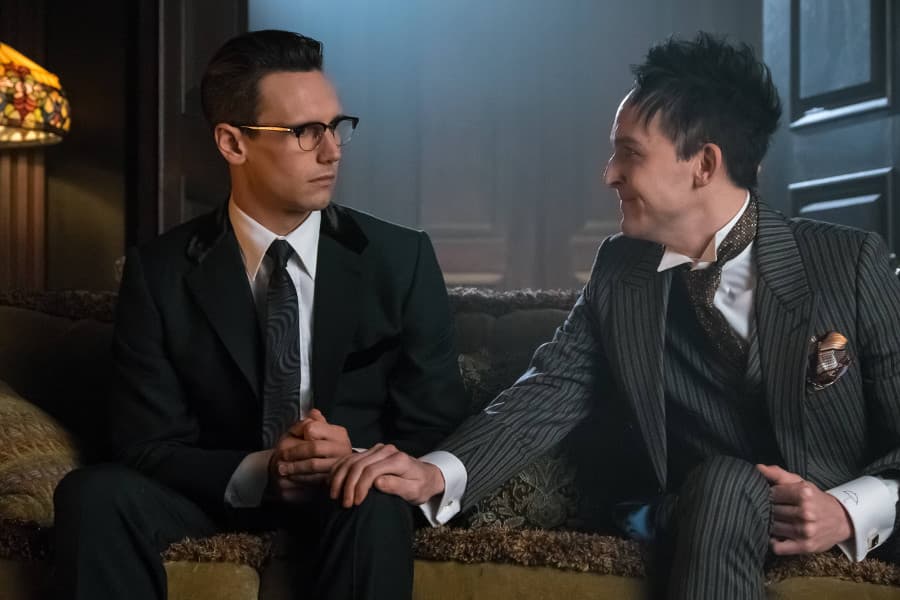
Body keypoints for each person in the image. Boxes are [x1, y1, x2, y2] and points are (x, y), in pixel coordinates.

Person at [329, 32, 900, 599]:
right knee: (727, 482)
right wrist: (435, 473)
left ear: (704, 164)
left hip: (835, 527)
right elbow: (548, 390)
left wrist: (847, 510)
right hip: (696, 515)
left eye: (630, 153)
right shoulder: (621, 271)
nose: (609, 174)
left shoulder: (847, 262)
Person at [52, 29, 467, 600]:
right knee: (92, 493)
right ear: (232, 143)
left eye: (337, 127)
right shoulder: (159, 273)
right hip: (219, 496)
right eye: (306, 132)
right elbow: (145, 445)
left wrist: (351, 457)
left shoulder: (401, 259)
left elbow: (436, 426)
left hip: (352, 501)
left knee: (372, 497)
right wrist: (264, 471)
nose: (332, 151)